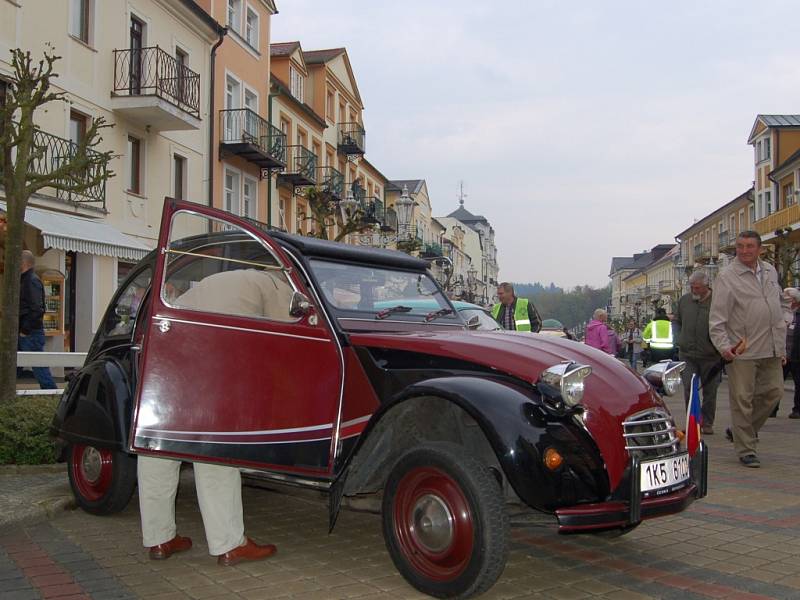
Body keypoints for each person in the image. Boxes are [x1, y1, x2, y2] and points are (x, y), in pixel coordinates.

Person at [139, 268, 287, 564]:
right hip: (212, 357)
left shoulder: (221, 280)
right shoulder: (275, 284)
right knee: (213, 450)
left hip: (170, 353)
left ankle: (159, 539)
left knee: (160, 447)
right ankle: (229, 543)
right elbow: (291, 330)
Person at [709, 231, 788, 468]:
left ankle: (742, 431)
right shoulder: (727, 277)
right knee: (742, 399)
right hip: (742, 348)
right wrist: (724, 347)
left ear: (759, 249)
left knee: (774, 393)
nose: (744, 250)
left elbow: (780, 302)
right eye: (740, 246)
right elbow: (717, 319)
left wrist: (784, 324)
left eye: (749, 246)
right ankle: (746, 449)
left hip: (772, 345)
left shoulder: (770, 271)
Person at [674, 269, 721, 435]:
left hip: (711, 355)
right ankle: (693, 422)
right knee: (689, 388)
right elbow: (677, 322)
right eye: (692, 287)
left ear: (706, 286)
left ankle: (707, 423)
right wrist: (678, 340)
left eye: (698, 288)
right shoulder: (684, 301)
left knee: (710, 391)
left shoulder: (717, 301)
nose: (694, 291)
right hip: (687, 354)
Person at [17, 251, 57, 390]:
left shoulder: (31, 280)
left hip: (30, 332)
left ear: (23, 263)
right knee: (12, 365)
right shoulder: (25, 280)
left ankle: (51, 393)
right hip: (25, 331)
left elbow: (37, 309)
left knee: (39, 368)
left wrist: (25, 330)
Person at [784, 308, 800, 419]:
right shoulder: (785, 313)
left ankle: (797, 410)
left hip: (797, 357)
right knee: (775, 385)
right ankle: (772, 410)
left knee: (798, 384)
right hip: (784, 355)